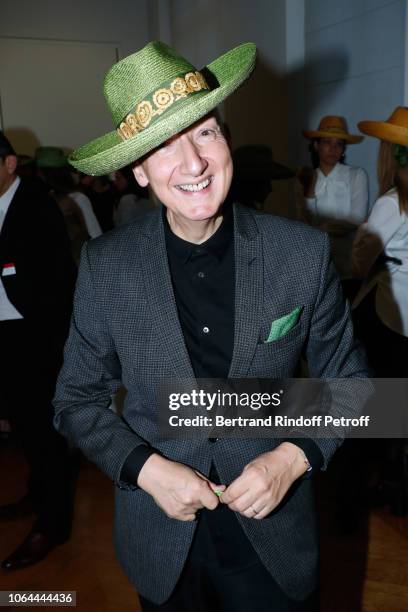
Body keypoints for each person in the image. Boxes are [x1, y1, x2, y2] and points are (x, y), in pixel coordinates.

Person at [54, 41, 368, 611]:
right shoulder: (106, 267)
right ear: (140, 171)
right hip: (161, 540)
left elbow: (354, 386)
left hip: (273, 537)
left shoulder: (300, 253)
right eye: (165, 147)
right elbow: (74, 399)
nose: (193, 164)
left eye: (204, 132)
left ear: (225, 138)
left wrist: (292, 456)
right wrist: (147, 471)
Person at [0, 132, 78, 570]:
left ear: (10, 164)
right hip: (5, 334)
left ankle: (54, 523)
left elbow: (58, 278)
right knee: (23, 426)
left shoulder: (37, 204)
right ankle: (36, 495)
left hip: (34, 334)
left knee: (43, 430)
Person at [297, 116, 369, 299]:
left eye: (339, 144)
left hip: (348, 264)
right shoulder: (305, 179)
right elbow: (305, 222)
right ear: (316, 145)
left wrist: (321, 229)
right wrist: (311, 185)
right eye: (327, 142)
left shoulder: (356, 175)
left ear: (344, 149)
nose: (333, 148)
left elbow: (357, 219)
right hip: (315, 266)